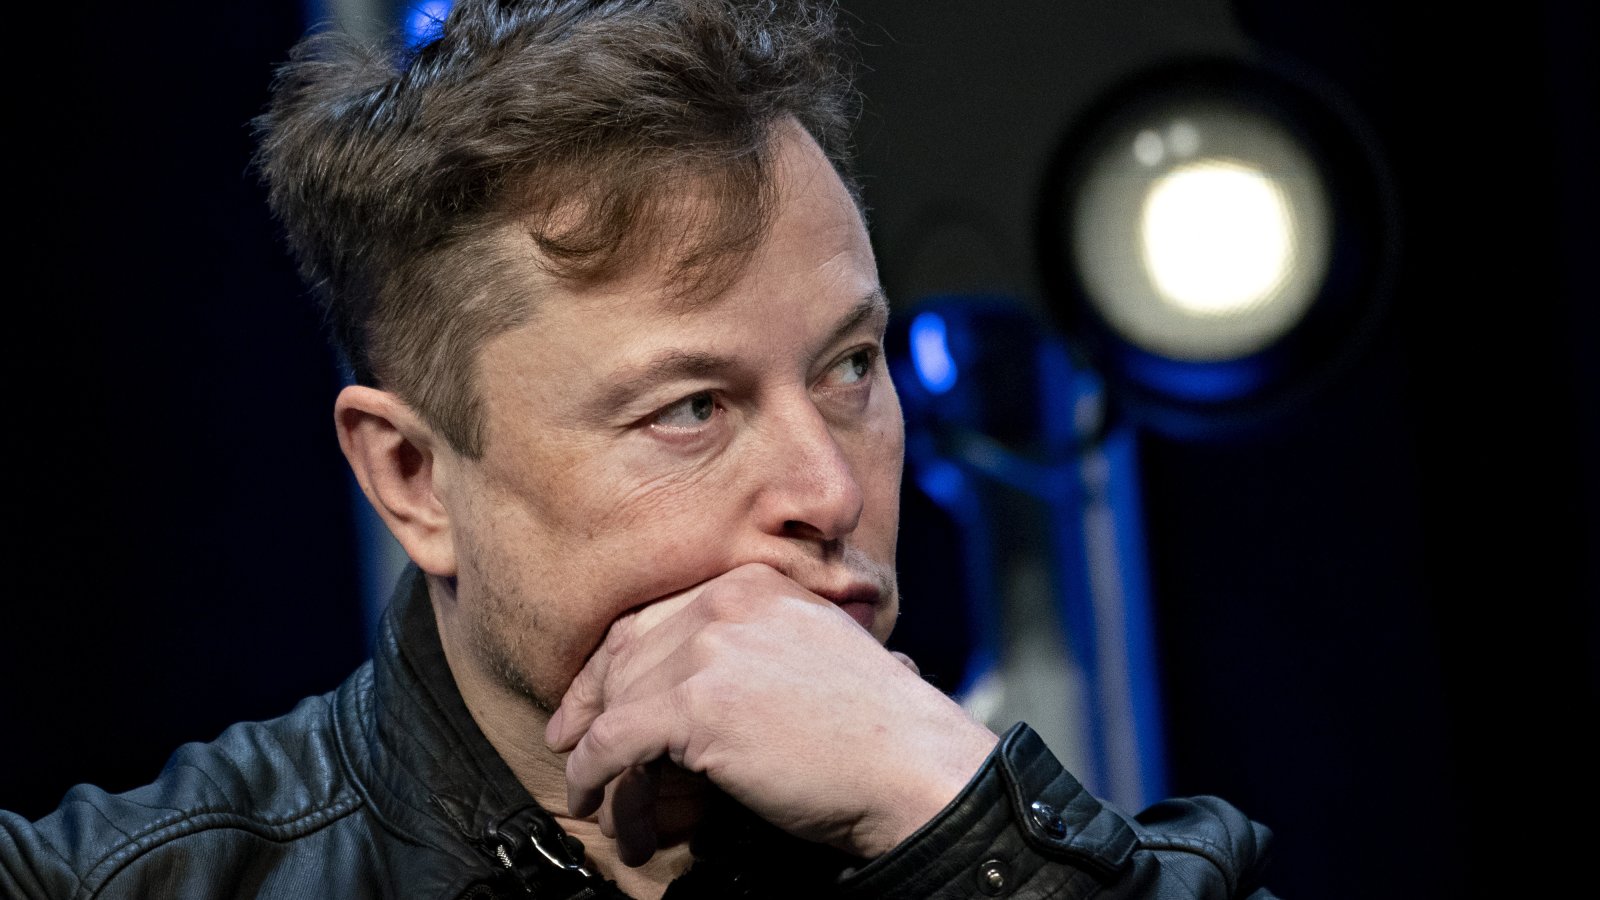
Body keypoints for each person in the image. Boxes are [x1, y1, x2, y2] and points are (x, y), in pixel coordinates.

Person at [1, 1, 1277, 897]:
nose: (829, 490)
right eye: (691, 409)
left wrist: (952, 821)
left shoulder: (1088, 865)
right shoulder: (119, 884)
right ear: (412, 478)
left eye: (849, 366)